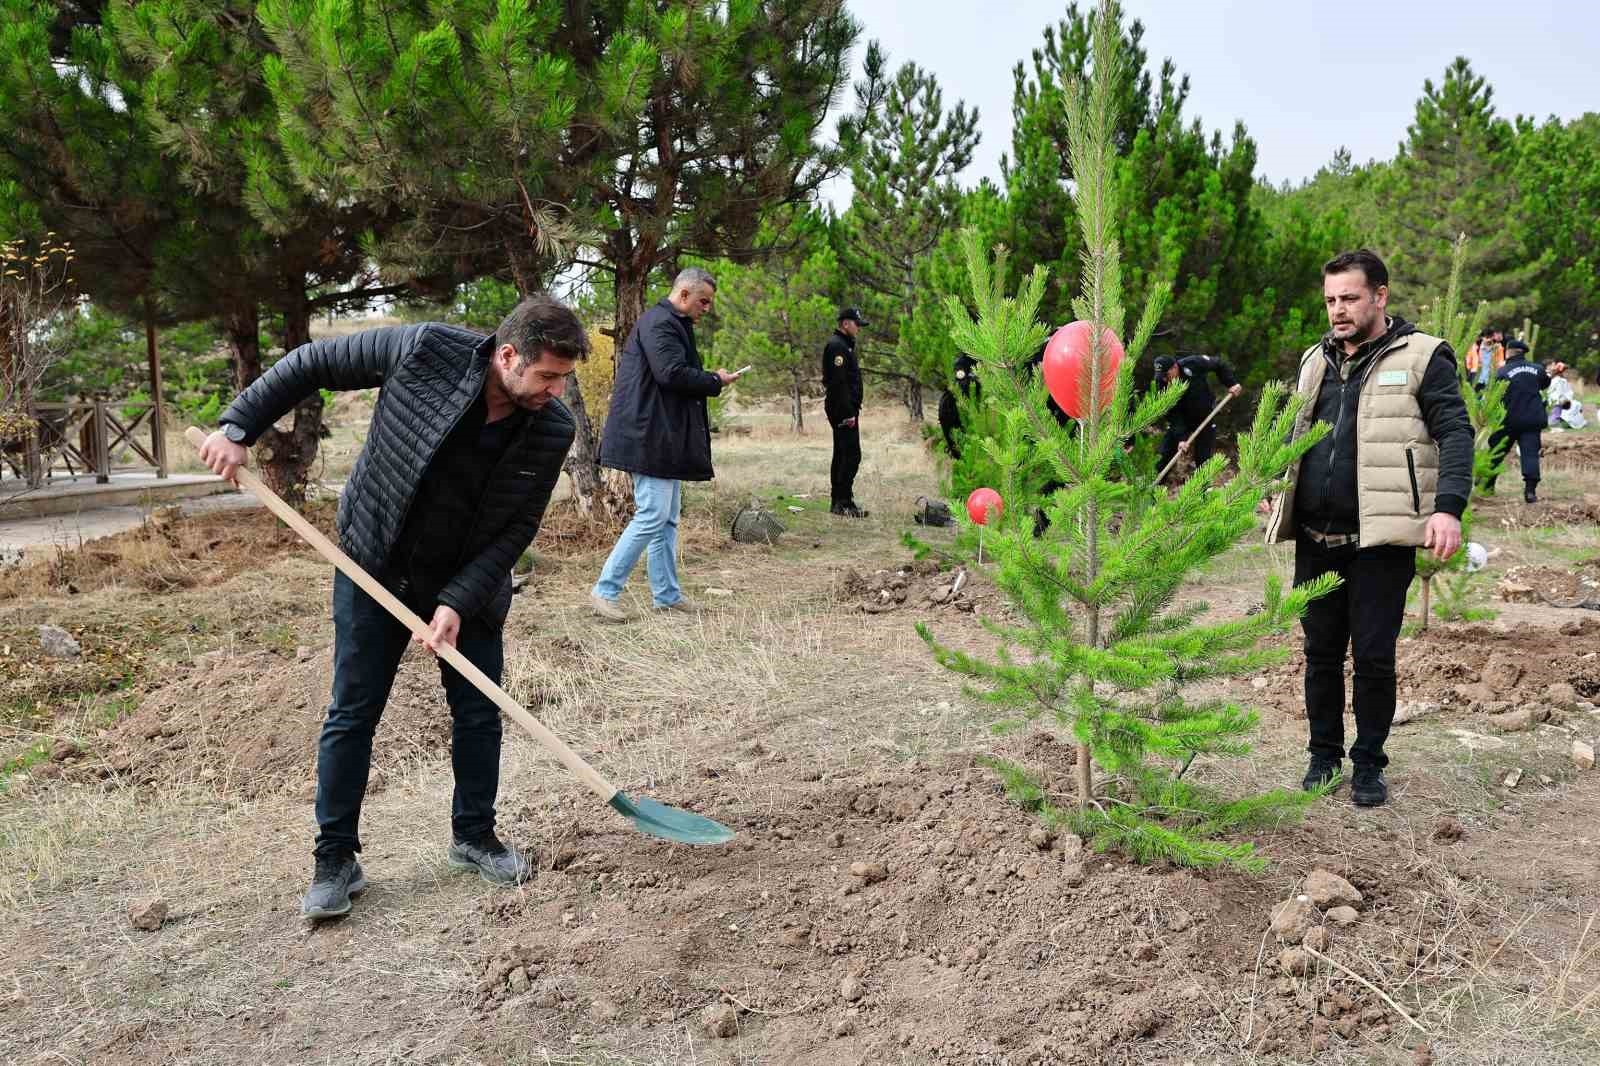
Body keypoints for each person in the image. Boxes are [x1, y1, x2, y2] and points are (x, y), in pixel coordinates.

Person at [197, 295, 590, 920]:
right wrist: (238, 426)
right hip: (374, 561)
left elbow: (516, 529)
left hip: (470, 581)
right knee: (353, 711)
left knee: (479, 711)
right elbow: (309, 364)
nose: (555, 390)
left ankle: (475, 837)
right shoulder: (425, 349)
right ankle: (335, 860)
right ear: (507, 354)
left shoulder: (551, 428)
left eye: (564, 379)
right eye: (547, 376)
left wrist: (458, 600)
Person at [1265, 249, 1472, 808]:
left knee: (1375, 655)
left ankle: (1368, 764)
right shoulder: (1316, 360)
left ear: (1380, 295)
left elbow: (1455, 432)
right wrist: (1276, 488)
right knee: (1320, 654)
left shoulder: (1424, 356)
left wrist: (1447, 507)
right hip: (1314, 538)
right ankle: (1323, 755)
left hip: (1380, 543)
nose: (1338, 309)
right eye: (1331, 299)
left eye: (1350, 298)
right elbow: (1294, 435)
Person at [590, 268, 740, 622]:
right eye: (703, 301)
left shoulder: (673, 324)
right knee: (653, 514)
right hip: (647, 437)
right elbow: (670, 374)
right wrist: (713, 380)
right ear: (684, 295)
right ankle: (605, 590)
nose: (707, 308)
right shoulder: (660, 323)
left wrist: (709, 379)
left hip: (659, 437)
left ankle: (667, 596)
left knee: (667, 519)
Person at [1153, 353, 1243, 476]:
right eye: (1161, 376)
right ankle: (1152, 490)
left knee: (1203, 460)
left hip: (1204, 417)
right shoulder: (1161, 384)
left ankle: (1203, 492)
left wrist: (1231, 383)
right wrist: (1181, 438)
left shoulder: (1193, 364)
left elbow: (1219, 364)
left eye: (1166, 375)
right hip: (1181, 421)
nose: (1164, 379)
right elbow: (1172, 413)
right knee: (1163, 457)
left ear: (1175, 367)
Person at [1485, 339, 1551, 502]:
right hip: (1531, 420)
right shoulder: (1537, 369)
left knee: (1496, 452)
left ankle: (1486, 486)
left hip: (1507, 420)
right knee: (1530, 455)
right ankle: (1530, 492)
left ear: (1508, 353)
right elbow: (1545, 384)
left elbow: (1493, 394)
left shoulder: (1502, 372)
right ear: (1523, 353)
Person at [823, 307, 869, 517]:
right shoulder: (837, 347)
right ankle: (843, 502)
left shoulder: (844, 346)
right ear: (845, 324)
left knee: (843, 454)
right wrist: (848, 413)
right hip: (843, 410)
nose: (858, 328)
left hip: (846, 408)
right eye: (856, 324)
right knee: (850, 455)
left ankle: (840, 501)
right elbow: (838, 384)